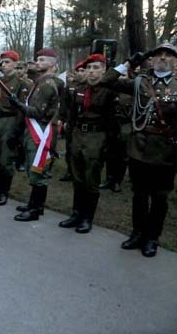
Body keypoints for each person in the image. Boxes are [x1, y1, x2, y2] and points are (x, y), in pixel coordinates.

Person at [100, 43, 177, 257]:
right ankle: (137, 234)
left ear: (176, 61)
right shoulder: (140, 82)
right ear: (151, 60)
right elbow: (107, 81)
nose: (162, 58)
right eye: (158, 55)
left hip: (166, 152)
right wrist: (130, 62)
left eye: (169, 56)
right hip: (138, 149)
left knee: (159, 198)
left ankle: (152, 238)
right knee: (139, 195)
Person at [59, 54, 115, 233]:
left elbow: (112, 120)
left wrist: (107, 144)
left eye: (96, 68)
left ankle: (87, 217)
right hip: (78, 135)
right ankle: (76, 213)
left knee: (91, 178)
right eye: (89, 68)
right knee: (77, 176)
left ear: (104, 70)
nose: (91, 72)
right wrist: (70, 137)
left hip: (96, 136)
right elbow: (72, 115)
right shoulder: (79, 89)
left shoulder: (108, 90)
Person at [8, 48, 61, 221]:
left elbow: (37, 112)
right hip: (33, 130)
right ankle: (33, 205)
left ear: (52, 63)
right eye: (37, 59)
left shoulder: (47, 84)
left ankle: (36, 210)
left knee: (38, 173)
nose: (37, 62)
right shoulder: (41, 81)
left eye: (42, 60)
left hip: (41, 132)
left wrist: (18, 105)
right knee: (33, 169)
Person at [0, 50, 32, 206]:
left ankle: (3, 192)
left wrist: (17, 130)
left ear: (15, 64)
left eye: (8, 62)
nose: (4, 65)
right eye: (2, 62)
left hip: (10, 120)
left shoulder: (22, 83)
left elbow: (22, 109)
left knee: (5, 159)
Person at [59, 62, 87, 182]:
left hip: (84, 124)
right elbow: (64, 105)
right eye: (78, 71)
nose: (80, 73)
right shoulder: (70, 86)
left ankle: (83, 173)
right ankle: (70, 172)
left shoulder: (90, 86)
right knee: (70, 148)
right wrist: (63, 119)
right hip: (70, 122)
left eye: (82, 70)